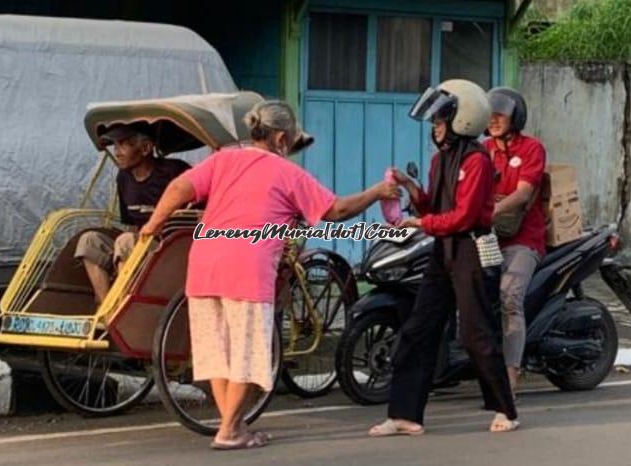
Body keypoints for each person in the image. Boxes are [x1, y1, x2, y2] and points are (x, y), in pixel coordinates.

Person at [140, 100, 399, 450]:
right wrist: (376, 192)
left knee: (218, 353)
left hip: (204, 266)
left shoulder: (223, 159)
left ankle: (234, 425)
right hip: (246, 269)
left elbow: (178, 189)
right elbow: (335, 210)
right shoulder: (285, 172)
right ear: (280, 138)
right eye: (291, 140)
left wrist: (153, 226)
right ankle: (230, 430)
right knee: (248, 354)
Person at [368, 79, 519, 437]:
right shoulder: (440, 160)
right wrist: (408, 186)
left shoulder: (478, 161)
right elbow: (433, 206)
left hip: (471, 249)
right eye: (435, 121)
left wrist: (422, 222)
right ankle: (405, 414)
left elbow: (465, 216)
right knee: (419, 328)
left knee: (475, 333)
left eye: (441, 120)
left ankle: (505, 408)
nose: (435, 127)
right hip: (443, 250)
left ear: (462, 120)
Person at [74, 122, 191, 304]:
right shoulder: (124, 178)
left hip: (171, 248)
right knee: (90, 240)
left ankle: (122, 303)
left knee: (126, 240)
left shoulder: (173, 171)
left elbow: (197, 212)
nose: (117, 152)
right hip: (139, 245)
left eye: (124, 144)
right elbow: (130, 222)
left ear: (145, 148)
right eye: (115, 146)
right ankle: (107, 308)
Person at [484, 87, 547, 395]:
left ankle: (510, 376)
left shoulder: (532, 149)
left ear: (515, 118)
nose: (494, 120)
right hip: (487, 237)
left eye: (501, 115)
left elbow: (523, 193)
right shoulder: (483, 149)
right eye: (490, 115)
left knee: (509, 298)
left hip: (524, 239)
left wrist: (491, 209)